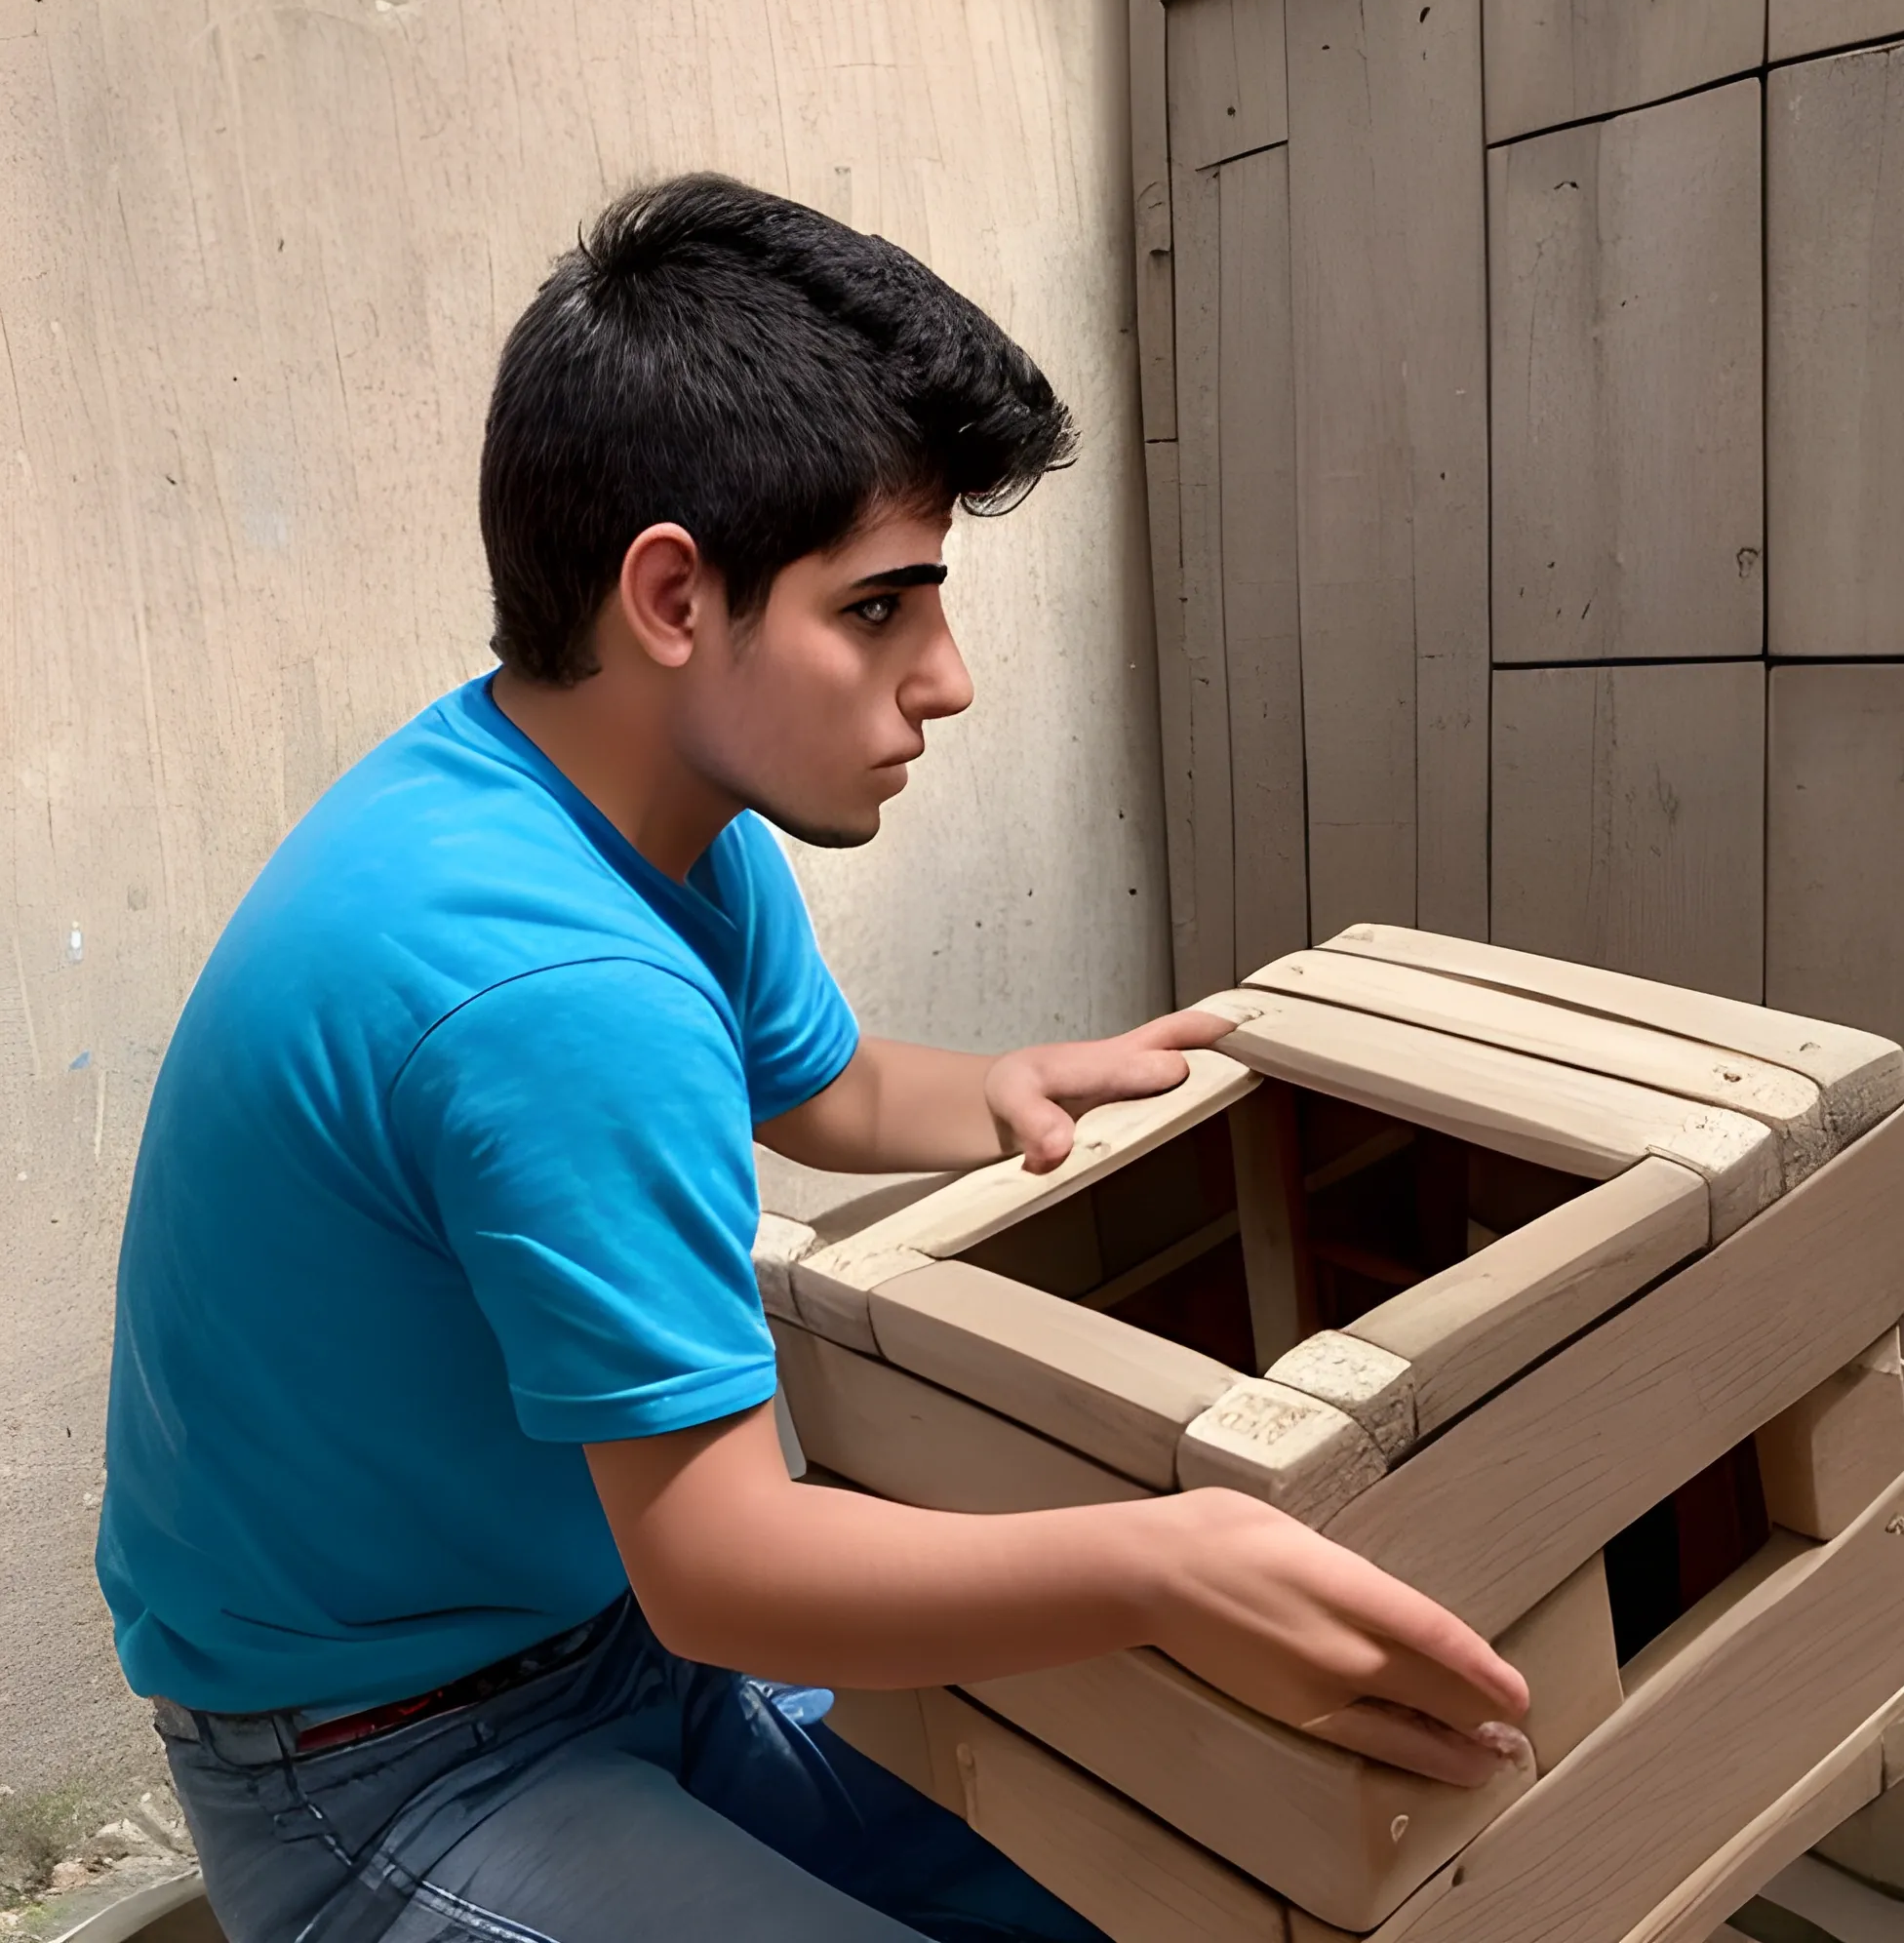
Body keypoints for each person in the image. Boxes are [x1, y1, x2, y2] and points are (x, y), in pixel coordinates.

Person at [97, 174, 1527, 1943]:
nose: (948, 679)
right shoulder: (550, 989)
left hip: (607, 1646)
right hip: (388, 1760)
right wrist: (1167, 1562)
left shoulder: (643, 808)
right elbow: (731, 1574)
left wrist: (1000, 1087)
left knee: (1093, 1902)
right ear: (675, 596)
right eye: (881, 609)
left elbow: (821, 1089)